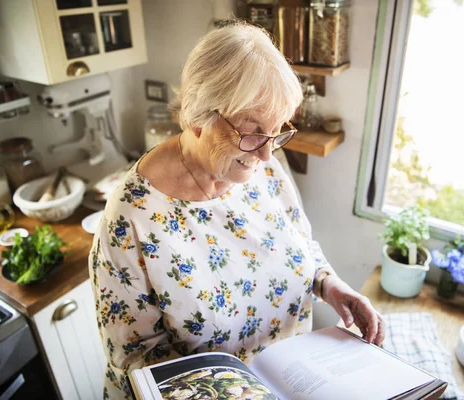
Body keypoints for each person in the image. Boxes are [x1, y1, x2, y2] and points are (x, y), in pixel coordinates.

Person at [88, 21, 385, 399]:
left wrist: (331, 285)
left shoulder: (262, 164)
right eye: (253, 131)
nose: (266, 152)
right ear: (199, 115)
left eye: (276, 131)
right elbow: (136, 365)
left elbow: (300, 241)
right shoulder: (131, 218)